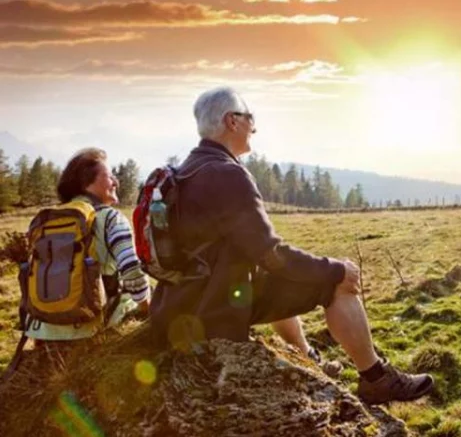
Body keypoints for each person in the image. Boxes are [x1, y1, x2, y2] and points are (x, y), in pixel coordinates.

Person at [149, 87, 434, 404]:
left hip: (177, 307)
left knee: (278, 277)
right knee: (336, 285)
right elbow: (271, 254)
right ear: (232, 121)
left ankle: (307, 358)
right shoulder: (227, 174)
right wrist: (334, 268)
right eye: (250, 117)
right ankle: (376, 379)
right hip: (212, 312)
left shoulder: (185, 171)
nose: (253, 126)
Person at [24, 148, 151, 342]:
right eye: (110, 176)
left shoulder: (49, 219)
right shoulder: (111, 218)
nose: (116, 181)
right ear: (87, 183)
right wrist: (147, 309)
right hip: (91, 327)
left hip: (44, 327)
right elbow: (132, 272)